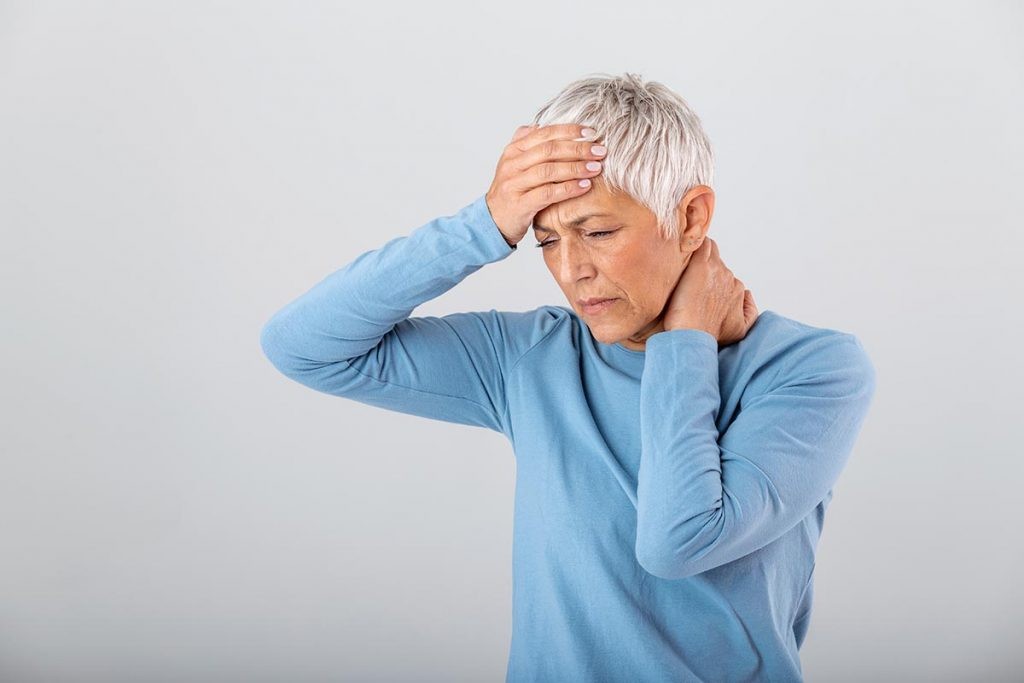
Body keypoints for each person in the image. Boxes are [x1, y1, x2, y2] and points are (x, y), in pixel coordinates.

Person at [260, 73, 876, 682]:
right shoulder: (531, 356)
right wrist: (486, 223)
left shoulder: (812, 371)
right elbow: (303, 346)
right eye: (547, 241)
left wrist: (683, 341)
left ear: (690, 218)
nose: (571, 270)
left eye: (599, 231)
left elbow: (677, 541)